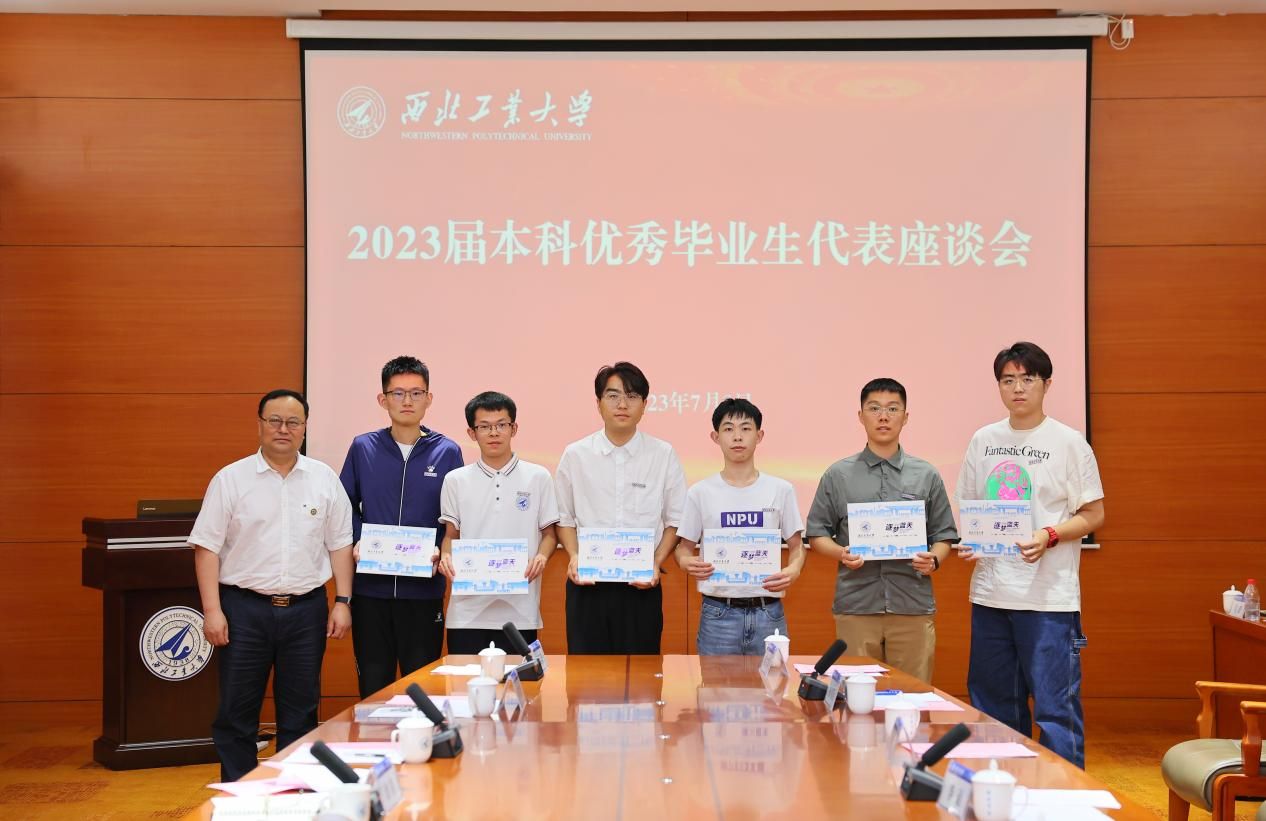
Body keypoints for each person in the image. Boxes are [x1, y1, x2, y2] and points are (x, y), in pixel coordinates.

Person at [189, 389, 353, 782]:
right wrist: (212, 610)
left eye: (293, 422)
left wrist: (343, 601)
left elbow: (340, 544)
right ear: (260, 424)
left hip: (306, 610)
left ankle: (292, 792)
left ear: (305, 428)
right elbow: (206, 548)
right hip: (243, 611)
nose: (283, 429)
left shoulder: (324, 479)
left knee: (301, 713)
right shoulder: (231, 479)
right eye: (274, 420)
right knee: (236, 712)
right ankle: (240, 794)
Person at [956, 341, 1105, 769]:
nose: (1017, 388)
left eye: (1027, 379)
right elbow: (972, 508)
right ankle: (1001, 787)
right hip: (991, 595)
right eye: (1008, 380)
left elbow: (1094, 514)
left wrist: (1050, 534)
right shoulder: (984, 440)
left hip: (1048, 600)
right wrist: (973, 541)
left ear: (1046, 384)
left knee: (1055, 711)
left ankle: (1063, 797)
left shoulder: (1068, 442)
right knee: (993, 707)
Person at [805, 378, 958, 683]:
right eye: (874, 408)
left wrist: (934, 559)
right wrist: (841, 553)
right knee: (855, 697)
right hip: (857, 605)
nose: (883, 417)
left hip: (912, 605)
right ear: (860, 416)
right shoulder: (838, 475)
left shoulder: (926, 474)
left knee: (912, 696)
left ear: (906, 416)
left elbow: (944, 535)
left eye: (892, 409)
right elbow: (816, 533)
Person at [339, 356, 463, 698]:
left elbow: (456, 517)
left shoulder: (447, 451)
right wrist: (359, 539)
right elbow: (343, 505)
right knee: (373, 686)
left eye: (416, 393)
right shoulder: (363, 447)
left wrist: (441, 547)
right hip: (371, 591)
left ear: (429, 398)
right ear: (383, 399)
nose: (407, 401)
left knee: (421, 688)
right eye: (397, 393)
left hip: (423, 591)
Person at [554, 361, 687, 654]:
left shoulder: (662, 454)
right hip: (588, 584)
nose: (622, 404)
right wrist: (574, 555)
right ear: (598, 403)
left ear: (644, 405)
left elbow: (676, 519)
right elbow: (564, 517)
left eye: (632, 396)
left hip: (640, 585)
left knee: (641, 675)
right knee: (587, 675)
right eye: (613, 395)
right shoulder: (576, 455)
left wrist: (656, 561)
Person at [674, 398, 805, 654]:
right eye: (728, 429)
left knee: (773, 680)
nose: (737, 437)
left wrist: (794, 569)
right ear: (715, 437)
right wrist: (685, 562)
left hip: (769, 612)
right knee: (715, 681)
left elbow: (797, 546)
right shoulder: (700, 492)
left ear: (759, 435)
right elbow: (683, 548)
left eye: (746, 428)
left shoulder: (781, 490)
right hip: (718, 613)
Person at [438, 391, 560, 653]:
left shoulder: (538, 477)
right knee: (465, 678)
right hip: (467, 611)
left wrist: (541, 557)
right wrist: (446, 557)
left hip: (520, 610)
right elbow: (451, 535)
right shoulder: (455, 480)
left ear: (514, 428)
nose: (494, 433)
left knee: (518, 679)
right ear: (472, 433)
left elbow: (550, 534)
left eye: (501, 425)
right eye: (484, 426)